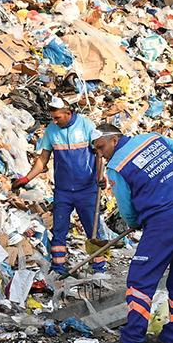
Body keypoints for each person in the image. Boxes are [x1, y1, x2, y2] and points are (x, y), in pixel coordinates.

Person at [89, 123, 173, 343]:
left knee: (139, 281)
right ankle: (172, 342)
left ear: (114, 139)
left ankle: (132, 342)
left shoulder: (116, 167)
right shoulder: (153, 139)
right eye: (96, 151)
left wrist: (136, 222)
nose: (100, 155)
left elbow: (128, 211)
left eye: (101, 147)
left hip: (164, 222)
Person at [12, 96, 106, 274]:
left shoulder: (87, 126)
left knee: (93, 230)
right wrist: (27, 178)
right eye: (53, 118)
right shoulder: (51, 131)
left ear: (68, 113)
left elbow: (99, 153)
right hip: (63, 191)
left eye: (58, 118)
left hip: (86, 189)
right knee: (59, 230)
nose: (55, 121)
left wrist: (102, 175)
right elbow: (43, 159)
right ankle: (58, 269)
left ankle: (99, 269)